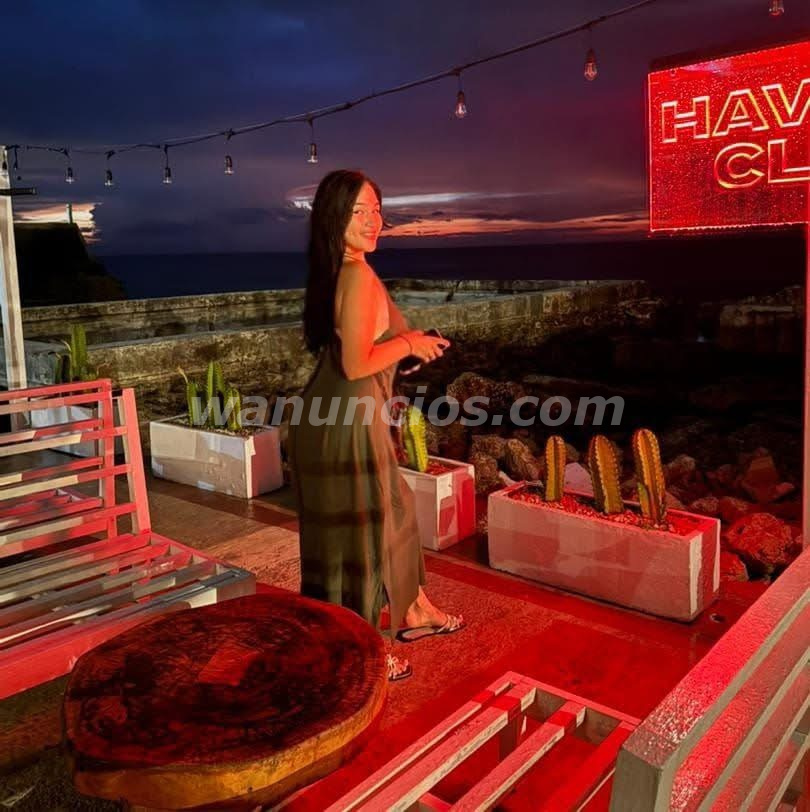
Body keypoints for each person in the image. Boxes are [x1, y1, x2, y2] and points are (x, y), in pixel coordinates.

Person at [287, 169, 464, 682]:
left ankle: (414, 610)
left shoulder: (345, 271)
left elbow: (363, 351)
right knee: (365, 536)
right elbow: (356, 363)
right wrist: (409, 343)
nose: (372, 220)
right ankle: (362, 648)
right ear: (333, 219)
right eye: (358, 211)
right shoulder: (357, 276)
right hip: (346, 420)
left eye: (376, 210)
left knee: (390, 518)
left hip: (336, 416)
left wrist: (410, 346)